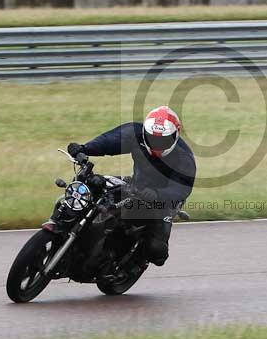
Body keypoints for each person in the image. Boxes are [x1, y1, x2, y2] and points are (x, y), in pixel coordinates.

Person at [67, 106, 195, 266]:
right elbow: (111, 140)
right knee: (92, 187)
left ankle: (129, 260)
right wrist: (85, 149)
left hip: (163, 199)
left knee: (156, 251)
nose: (156, 144)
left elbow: (181, 189)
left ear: (175, 136)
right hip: (135, 184)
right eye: (152, 138)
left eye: (162, 140)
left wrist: (158, 194)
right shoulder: (135, 133)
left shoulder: (184, 158)